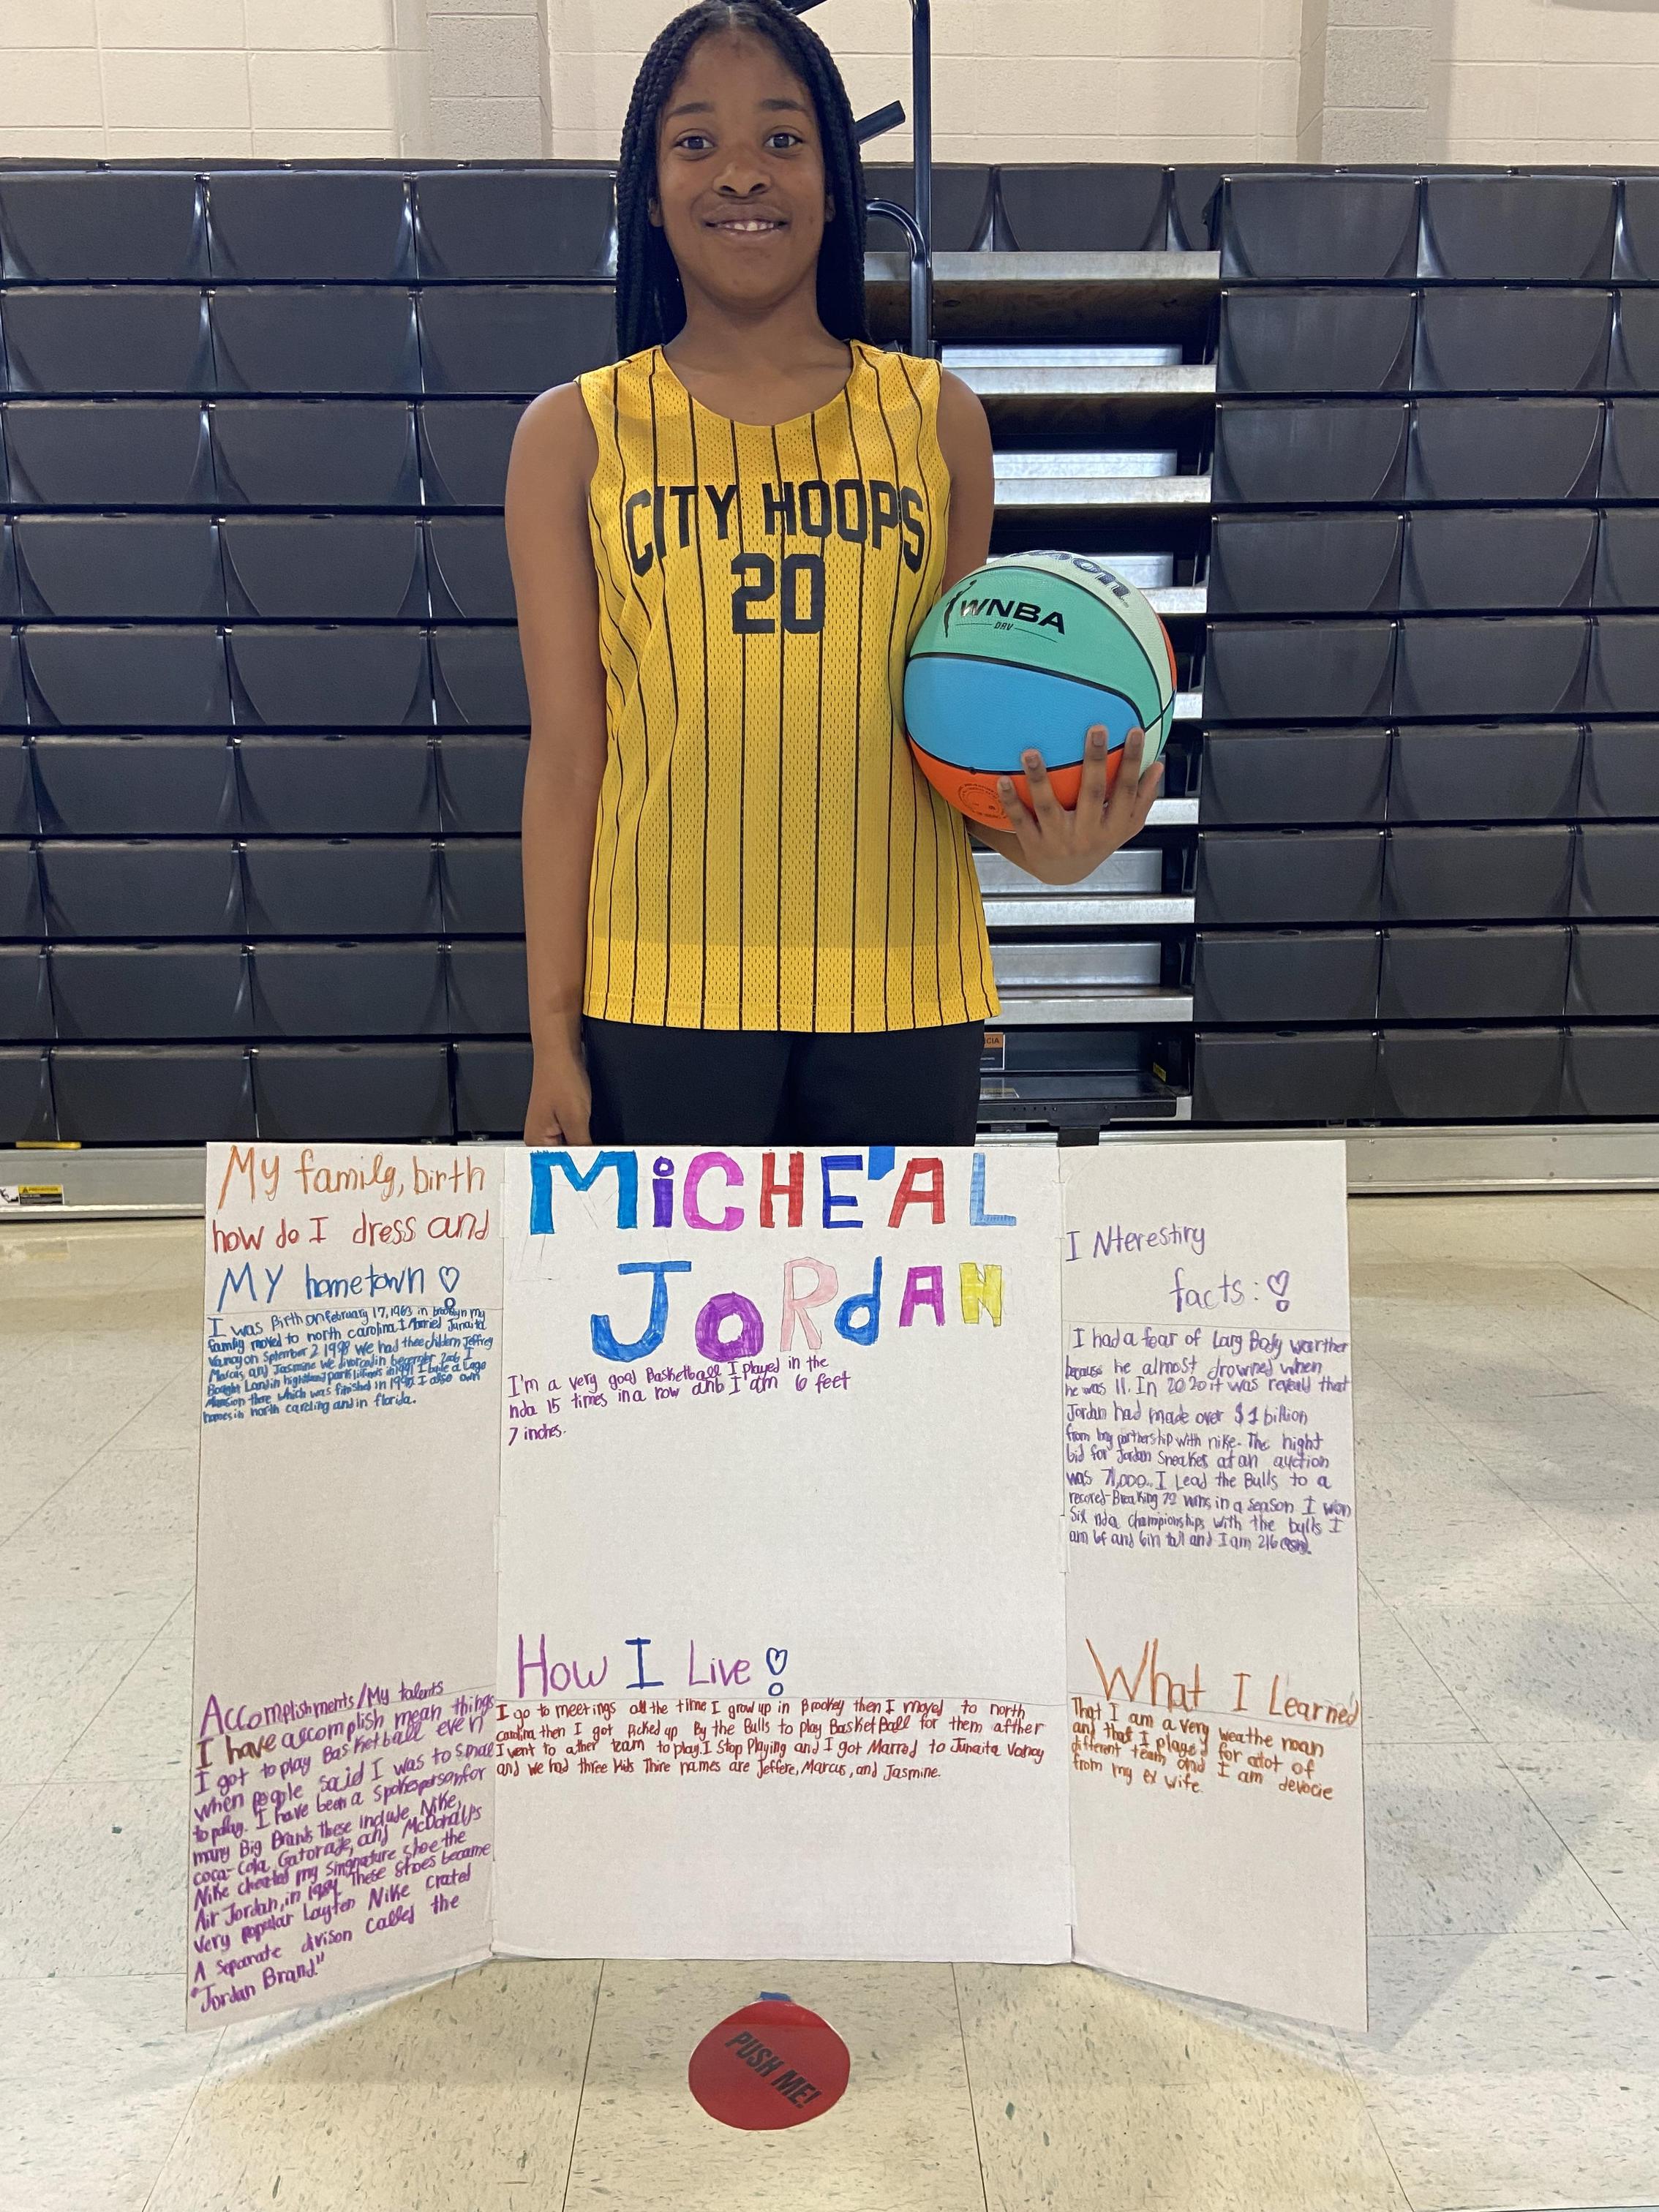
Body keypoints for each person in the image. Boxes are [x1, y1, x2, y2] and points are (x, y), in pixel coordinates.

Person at [505, 0, 1163, 1147]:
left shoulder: (938, 421)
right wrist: (552, 1038)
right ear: (649, 190)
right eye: (696, 141)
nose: (741, 173)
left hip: (906, 988)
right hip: (661, 992)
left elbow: (948, 723)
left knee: (905, 1286)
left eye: (783, 138)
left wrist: (1055, 845)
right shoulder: (574, 435)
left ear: (833, 179)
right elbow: (568, 760)